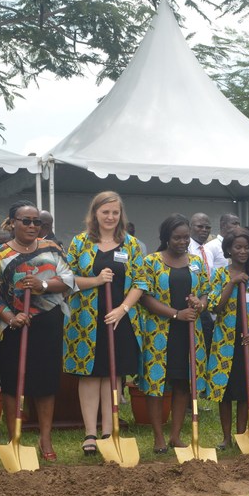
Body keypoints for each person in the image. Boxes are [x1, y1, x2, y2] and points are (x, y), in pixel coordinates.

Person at [0, 202, 73, 461]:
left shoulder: (52, 249)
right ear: (12, 222)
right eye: (26, 221)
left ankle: (45, 439)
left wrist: (42, 283)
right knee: (13, 384)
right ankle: (15, 439)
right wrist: (11, 317)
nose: (33, 226)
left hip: (48, 322)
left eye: (37, 222)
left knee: (46, 383)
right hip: (14, 325)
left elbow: (68, 281)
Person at [64, 191, 146, 455]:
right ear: (95, 213)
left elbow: (140, 283)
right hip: (86, 320)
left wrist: (123, 309)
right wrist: (97, 281)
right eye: (105, 212)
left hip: (118, 318)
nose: (110, 217)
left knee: (113, 374)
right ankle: (90, 433)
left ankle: (109, 431)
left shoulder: (131, 244)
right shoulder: (80, 243)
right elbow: (69, 280)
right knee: (90, 375)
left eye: (115, 212)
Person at [139, 214, 210, 453]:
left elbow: (205, 292)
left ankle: (175, 436)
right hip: (160, 333)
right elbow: (145, 297)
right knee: (156, 384)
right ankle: (158, 437)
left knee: (182, 384)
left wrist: (199, 304)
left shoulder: (196, 262)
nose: (182, 242)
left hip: (189, 332)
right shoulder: (151, 262)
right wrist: (175, 314)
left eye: (186, 238)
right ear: (166, 238)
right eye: (177, 238)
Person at [207, 230, 249, 449]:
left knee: (243, 390)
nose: (243, 251)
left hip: (247, 340)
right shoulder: (221, 274)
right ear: (229, 249)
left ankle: (241, 435)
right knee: (226, 392)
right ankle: (226, 437)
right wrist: (232, 282)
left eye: (247, 247)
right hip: (225, 341)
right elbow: (216, 306)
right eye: (238, 247)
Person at [188, 212, 216, 354]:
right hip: (193, 303)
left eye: (207, 227)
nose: (204, 230)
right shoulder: (186, 248)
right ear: (190, 227)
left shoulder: (207, 250)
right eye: (200, 226)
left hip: (208, 302)